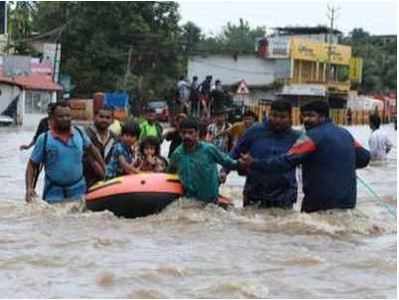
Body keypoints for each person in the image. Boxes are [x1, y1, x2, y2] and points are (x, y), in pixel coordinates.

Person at [240, 100, 370, 213]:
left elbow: (286, 162)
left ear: (323, 117)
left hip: (317, 204)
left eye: (311, 116)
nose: (306, 120)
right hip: (348, 202)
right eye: (304, 116)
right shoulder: (345, 133)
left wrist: (254, 163)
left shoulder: (311, 136)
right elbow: (364, 158)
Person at [222, 100, 301, 208]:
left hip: (284, 195)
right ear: (269, 114)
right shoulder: (254, 131)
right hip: (255, 192)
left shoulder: (297, 137)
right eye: (274, 115)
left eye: (282, 117)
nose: (277, 120)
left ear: (290, 118)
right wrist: (224, 171)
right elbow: (236, 152)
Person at [25, 102, 106, 204]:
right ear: (52, 118)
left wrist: (104, 168)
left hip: (78, 190)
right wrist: (29, 188)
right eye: (60, 116)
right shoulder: (44, 139)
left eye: (68, 116)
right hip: (53, 192)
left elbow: (93, 150)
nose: (65, 119)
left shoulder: (79, 134)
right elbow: (32, 165)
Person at [168, 117, 240, 203]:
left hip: (211, 202)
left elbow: (228, 162)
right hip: (189, 203)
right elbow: (169, 175)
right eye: (184, 133)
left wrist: (242, 164)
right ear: (180, 134)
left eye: (190, 133)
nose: (187, 136)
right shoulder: (177, 154)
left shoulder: (209, 149)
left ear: (197, 133)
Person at [83, 105, 118, 188]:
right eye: (101, 116)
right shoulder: (86, 134)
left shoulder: (115, 138)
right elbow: (90, 159)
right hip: (87, 182)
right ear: (95, 117)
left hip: (109, 183)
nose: (104, 120)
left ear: (112, 120)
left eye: (108, 117)